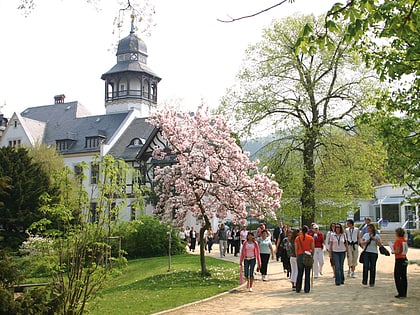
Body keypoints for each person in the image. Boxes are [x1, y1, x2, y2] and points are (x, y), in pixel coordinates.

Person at [294, 225, 315, 293]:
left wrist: (297, 256)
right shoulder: (310, 238)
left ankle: (298, 288)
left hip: (300, 255)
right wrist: (312, 255)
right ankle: (307, 289)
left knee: (300, 272)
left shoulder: (297, 238)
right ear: (307, 230)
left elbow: (296, 249)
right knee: (307, 272)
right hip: (308, 255)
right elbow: (312, 248)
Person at [392, 227, 408, 298]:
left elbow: (398, 251)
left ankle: (400, 292)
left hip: (399, 258)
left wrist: (393, 251)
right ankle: (404, 292)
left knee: (397, 276)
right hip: (404, 258)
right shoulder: (404, 240)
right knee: (404, 276)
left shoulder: (398, 240)